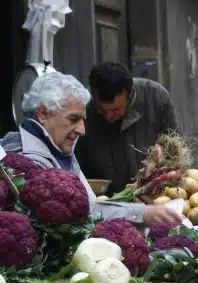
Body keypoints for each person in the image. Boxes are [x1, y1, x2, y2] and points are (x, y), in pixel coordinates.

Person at [0, 72, 181, 224]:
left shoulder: (58, 148)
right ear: (43, 114)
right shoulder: (23, 161)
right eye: (73, 119)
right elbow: (81, 215)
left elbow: (88, 206)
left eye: (82, 119)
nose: (82, 130)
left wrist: (138, 210)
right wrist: (143, 213)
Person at [75, 62, 179, 196]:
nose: (108, 116)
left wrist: (158, 160)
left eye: (115, 110)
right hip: (103, 201)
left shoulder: (156, 98)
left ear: (129, 95)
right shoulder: (83, 106)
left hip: (152, 197)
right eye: (101, 109)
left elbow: (174, 148)